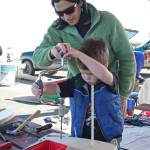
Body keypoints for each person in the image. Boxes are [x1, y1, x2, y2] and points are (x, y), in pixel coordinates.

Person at [33, 0, 136, 116]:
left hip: (109, 94)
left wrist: (123, 95)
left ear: (80, 3)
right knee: (79, 131)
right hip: (78, 95)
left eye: (69, 10)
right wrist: (51, 52)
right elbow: (37, 58)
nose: (66, 17)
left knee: (109, 131)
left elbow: (127, 58)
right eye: (60, 13)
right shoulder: (57, 28)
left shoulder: (108, 21)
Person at [32, 38, 124, 149]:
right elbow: (55, 88)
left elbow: (102, 72)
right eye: (83, 73)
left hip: (109, 141)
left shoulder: (110, 81)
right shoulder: (77, 82)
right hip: (81, 139)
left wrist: (79, 54)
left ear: (105, 65)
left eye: (91, 73)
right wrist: (39, 88)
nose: (87, 77)